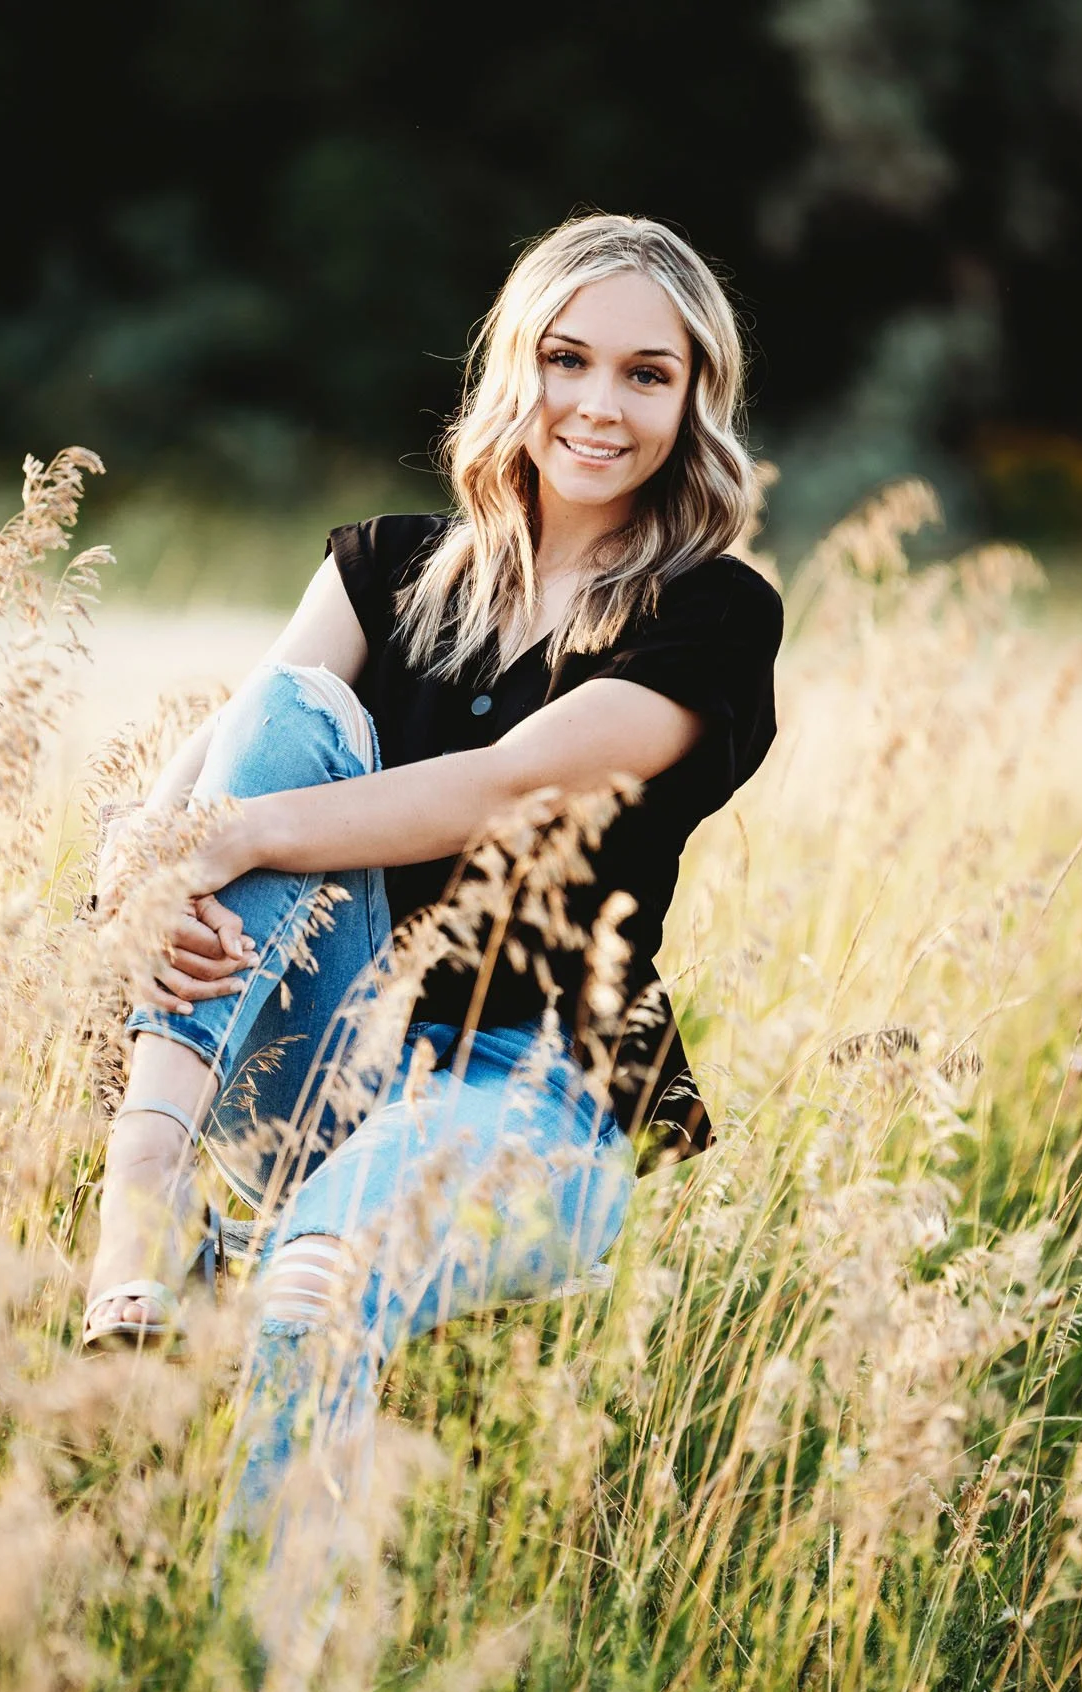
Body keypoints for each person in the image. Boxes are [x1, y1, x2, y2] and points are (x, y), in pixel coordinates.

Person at [83, 211, 783, 1534]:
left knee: (313, 1289)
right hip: (321, 1056)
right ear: (514, 365)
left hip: (532, 1096)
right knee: (285, 711)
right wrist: (138, 882)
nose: (599, 405)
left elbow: (512, 786)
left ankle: (269, 1647)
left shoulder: (713, 614)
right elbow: (218, 765)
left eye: (646, 373)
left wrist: (239, 839)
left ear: (694, 402)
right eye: (567, 359)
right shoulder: (383, 567)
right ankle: (147, 1172)